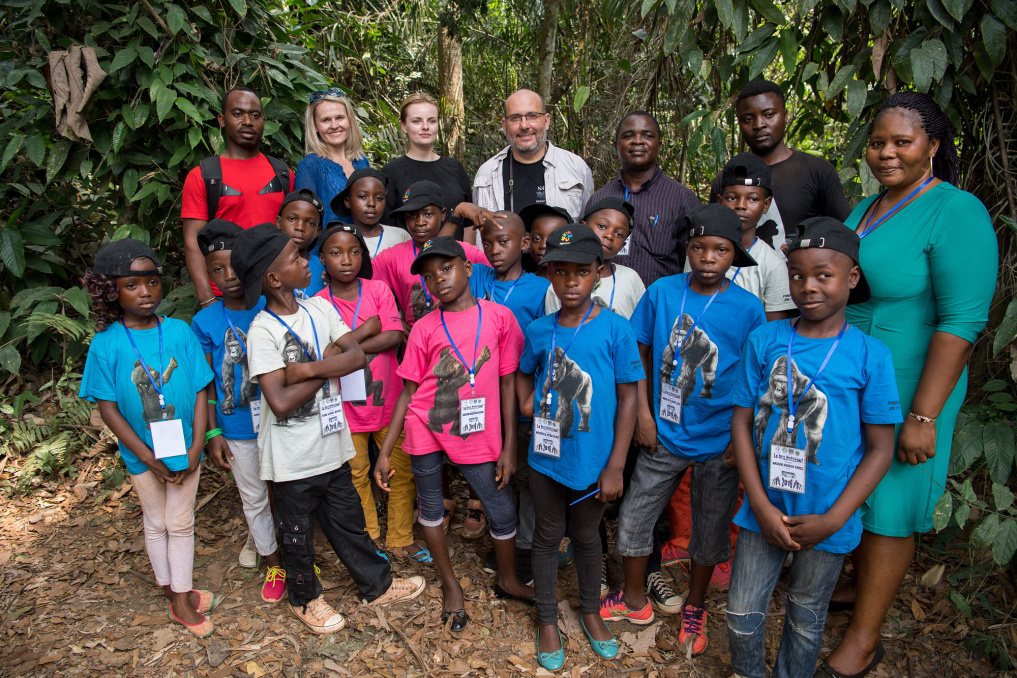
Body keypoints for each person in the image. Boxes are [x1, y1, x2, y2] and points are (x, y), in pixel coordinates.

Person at [818, 93, 998, 677]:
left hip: (909, 382)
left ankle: (864, 640)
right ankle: (853, 587)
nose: (886, 152)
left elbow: (962, 321)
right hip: (852, 374)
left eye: (902, 141)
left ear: (933, 146)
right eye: (877, 142)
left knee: (891, 502)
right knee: (854, 488)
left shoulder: (955, 211)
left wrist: (923, 415)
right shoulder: (865, 210)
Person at [727, 218, 900, 678]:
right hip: (763, 510)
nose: (809, 286)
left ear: (852, 278)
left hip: (827, 515)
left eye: (823, 275)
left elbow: (881, 448)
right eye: (798, 275)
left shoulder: (870, 356)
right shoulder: (764, 340)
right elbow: (741, 422)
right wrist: (759, 504)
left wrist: (834, 519)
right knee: (742, 615)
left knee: (806, 619)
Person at [233, 224, 425, 634]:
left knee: (347, 520)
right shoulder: (262, 331)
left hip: (332, 444)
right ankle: (305, 599)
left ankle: (376, 584)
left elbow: (355, 356)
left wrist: (305, 369)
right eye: (297, 259)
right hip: (292, 457)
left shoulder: (318, 309)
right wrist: (326, 368)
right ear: (273, 278)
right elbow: (280, 401)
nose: (308, 262)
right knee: (298, 533)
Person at [603, 204, 766, 657]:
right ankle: (634, 599)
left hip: (719, 441)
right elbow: (640, 350)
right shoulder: (662, 292)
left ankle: (695, 605)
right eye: (698, 248)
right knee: (635, 517)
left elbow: (755, 376)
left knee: (709, 532)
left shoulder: (749, 308)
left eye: (720, 249)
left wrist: (742, 439)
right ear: (686, 250)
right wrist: (643, 415)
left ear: (735, 254)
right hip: (664, 433)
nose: (708, 257)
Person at [374, 237, 534, 632]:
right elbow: (410, 392)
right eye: (429, 277)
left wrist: (509, 446)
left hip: (478, 433)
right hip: (425, 427)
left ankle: (509, 578)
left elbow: (508, 383)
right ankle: (450, 586)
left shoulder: (499, 317)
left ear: (466, 266)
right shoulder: (425, 327)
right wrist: (385, 451)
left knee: (500, 508)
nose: (438, 281)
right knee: (430, 509)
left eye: (445, 269)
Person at [664, 153, 797, 583]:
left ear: (765, 203)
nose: (741, 205)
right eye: (732, 197)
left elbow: (773, 342)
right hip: (691, 390)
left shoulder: (773, 265)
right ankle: (685, 542)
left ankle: (726, 551)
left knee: (734, 475)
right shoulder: (701, 250)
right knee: (688, 479)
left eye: (751, 198)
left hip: (736, 391)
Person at [517, 224, 644, 670]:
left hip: (594, 461)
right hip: (546, 458)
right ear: (549, 273)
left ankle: (591, 611)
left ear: (599, 273)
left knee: (588, 536)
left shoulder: (615, 329)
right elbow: (523, 370)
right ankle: (548, 619)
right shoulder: (538, 329)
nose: (571, 282)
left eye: (582, 272)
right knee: (549, 535)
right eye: (561, 271)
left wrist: (616, 465)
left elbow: (630, 396)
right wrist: (526, 402)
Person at [79, 239, 216, 637]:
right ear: (111, 290)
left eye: (152, 283)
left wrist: (196, 446)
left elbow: (200, 389)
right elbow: (108, 409)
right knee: (156, 521)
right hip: (142, 453)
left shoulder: (178, 331)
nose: (145, 293)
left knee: (181, 522)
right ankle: (175, 592)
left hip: (185, 447)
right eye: (132, 285)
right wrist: (150, 458)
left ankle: (180, 593)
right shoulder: (106, 343)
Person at [313, 223, 429, 563]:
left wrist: (346, 344)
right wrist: (366, 330)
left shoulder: (378, 289)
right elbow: (325, 355)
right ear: (322, 259)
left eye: (353, 251)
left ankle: (399, 536)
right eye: (335, 253)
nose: (346, 260)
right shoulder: (318, 304)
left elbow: (394, 336)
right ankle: (371, 537)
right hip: (345, 408)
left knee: (401, 468)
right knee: (356, 474)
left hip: (390, 402)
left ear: (363, 256)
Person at [189, 220, 284, 598]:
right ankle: (274, 564)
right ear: (207, 272)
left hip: (282, 418)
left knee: (290, 491)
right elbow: (207, 383)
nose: (229, 276)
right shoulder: (204, 321)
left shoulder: (271, 302)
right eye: (217, 269)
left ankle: (296, 551)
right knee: (253, 495)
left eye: (234, 265)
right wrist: (213, 431)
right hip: (237, 425)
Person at [473, 212, 552, 576]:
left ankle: (526, 549)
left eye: (504, 241)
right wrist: (467, 212)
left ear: (524, 244)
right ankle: (504, 537)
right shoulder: (476, 276)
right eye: (487, 243)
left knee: (525, 475)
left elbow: (548, 346)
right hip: (483, 400)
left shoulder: (540, 288)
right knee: (495, 475)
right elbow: (438, 246)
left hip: (521, 400)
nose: (494, 250)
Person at [181, 87, 295, 307]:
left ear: (263, 121)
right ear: (222, 120)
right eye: (237, 114)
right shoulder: (203, 176)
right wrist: (207, 300)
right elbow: (193, 242)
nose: (247, 121)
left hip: (277, 293)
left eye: (255, 115)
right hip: (228, 297)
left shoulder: (282, 173)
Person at [723, 80, 851, 251]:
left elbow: (844, 236)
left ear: (785, 114)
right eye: (748, 119)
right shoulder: (728, 177)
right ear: (739, 123)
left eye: (769, 115)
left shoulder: (816, 170)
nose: (759, 124)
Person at [587, 111, 700, 286]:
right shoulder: (599, 200)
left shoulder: (682, 199)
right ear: (616, 145)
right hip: (606, 306)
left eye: (647, 135)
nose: (638, 141)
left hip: (659, 307)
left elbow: (693, 262)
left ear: (659, 144)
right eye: (628, 136)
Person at [372, 181, 494, 328]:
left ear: (442, 214)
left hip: (462, 337)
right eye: (412, 216)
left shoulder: (464, 251)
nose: (420, 222)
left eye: (428, 214)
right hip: (415, 342)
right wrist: (394, 320)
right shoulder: (392, 256)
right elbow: (361, 286)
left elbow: (502, 273)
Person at [472, 89, 593, 224]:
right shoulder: (486, 174)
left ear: (546, 121)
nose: (524, 125)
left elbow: (587, 229)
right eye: (515, 118)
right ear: (504, 125)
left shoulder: (576, 168)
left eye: (532, 116)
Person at [382, 93, 475, 242]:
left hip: (456, 260)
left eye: (431, 121)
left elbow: (469, 225)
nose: (425, 127)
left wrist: (469, 261)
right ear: (403, 126)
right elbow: (387, 228)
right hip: (409, 262)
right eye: (416, 121)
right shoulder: (391, 172)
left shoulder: (455, 167)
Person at [544, 198, 645, 319]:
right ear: (583, 227)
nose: (609, 235)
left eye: (619, 234)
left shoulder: (631, 278)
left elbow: (642, 326)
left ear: (623, 245)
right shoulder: (559, 283)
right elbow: (553, 328)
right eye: (602, 226)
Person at [294, 88, 371, 226]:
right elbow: (305, 221)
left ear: (349, 120)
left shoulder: (361, 161)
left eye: (339, 118)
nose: (334, 126)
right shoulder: (310, 166)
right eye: (326, 120)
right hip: (327, 246)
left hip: (363, 245)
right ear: (315, 126)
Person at [331, 168, 412, 258]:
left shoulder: (400, 236)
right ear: (348, 202)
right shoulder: (340, 239)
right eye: (362, 196)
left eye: (379, 198)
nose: (371, 203)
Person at [275, 189, 325, 298]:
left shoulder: (324, 269)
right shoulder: (265, 265)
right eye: (292, 219)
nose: (300, 227)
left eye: (310, 223)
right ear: (279, 222)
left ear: (318, 231)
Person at [520, 203, 571, 278]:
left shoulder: (575, 284)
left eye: (553, 238)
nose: (543, 245)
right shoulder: (523, 283)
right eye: (537, 239)